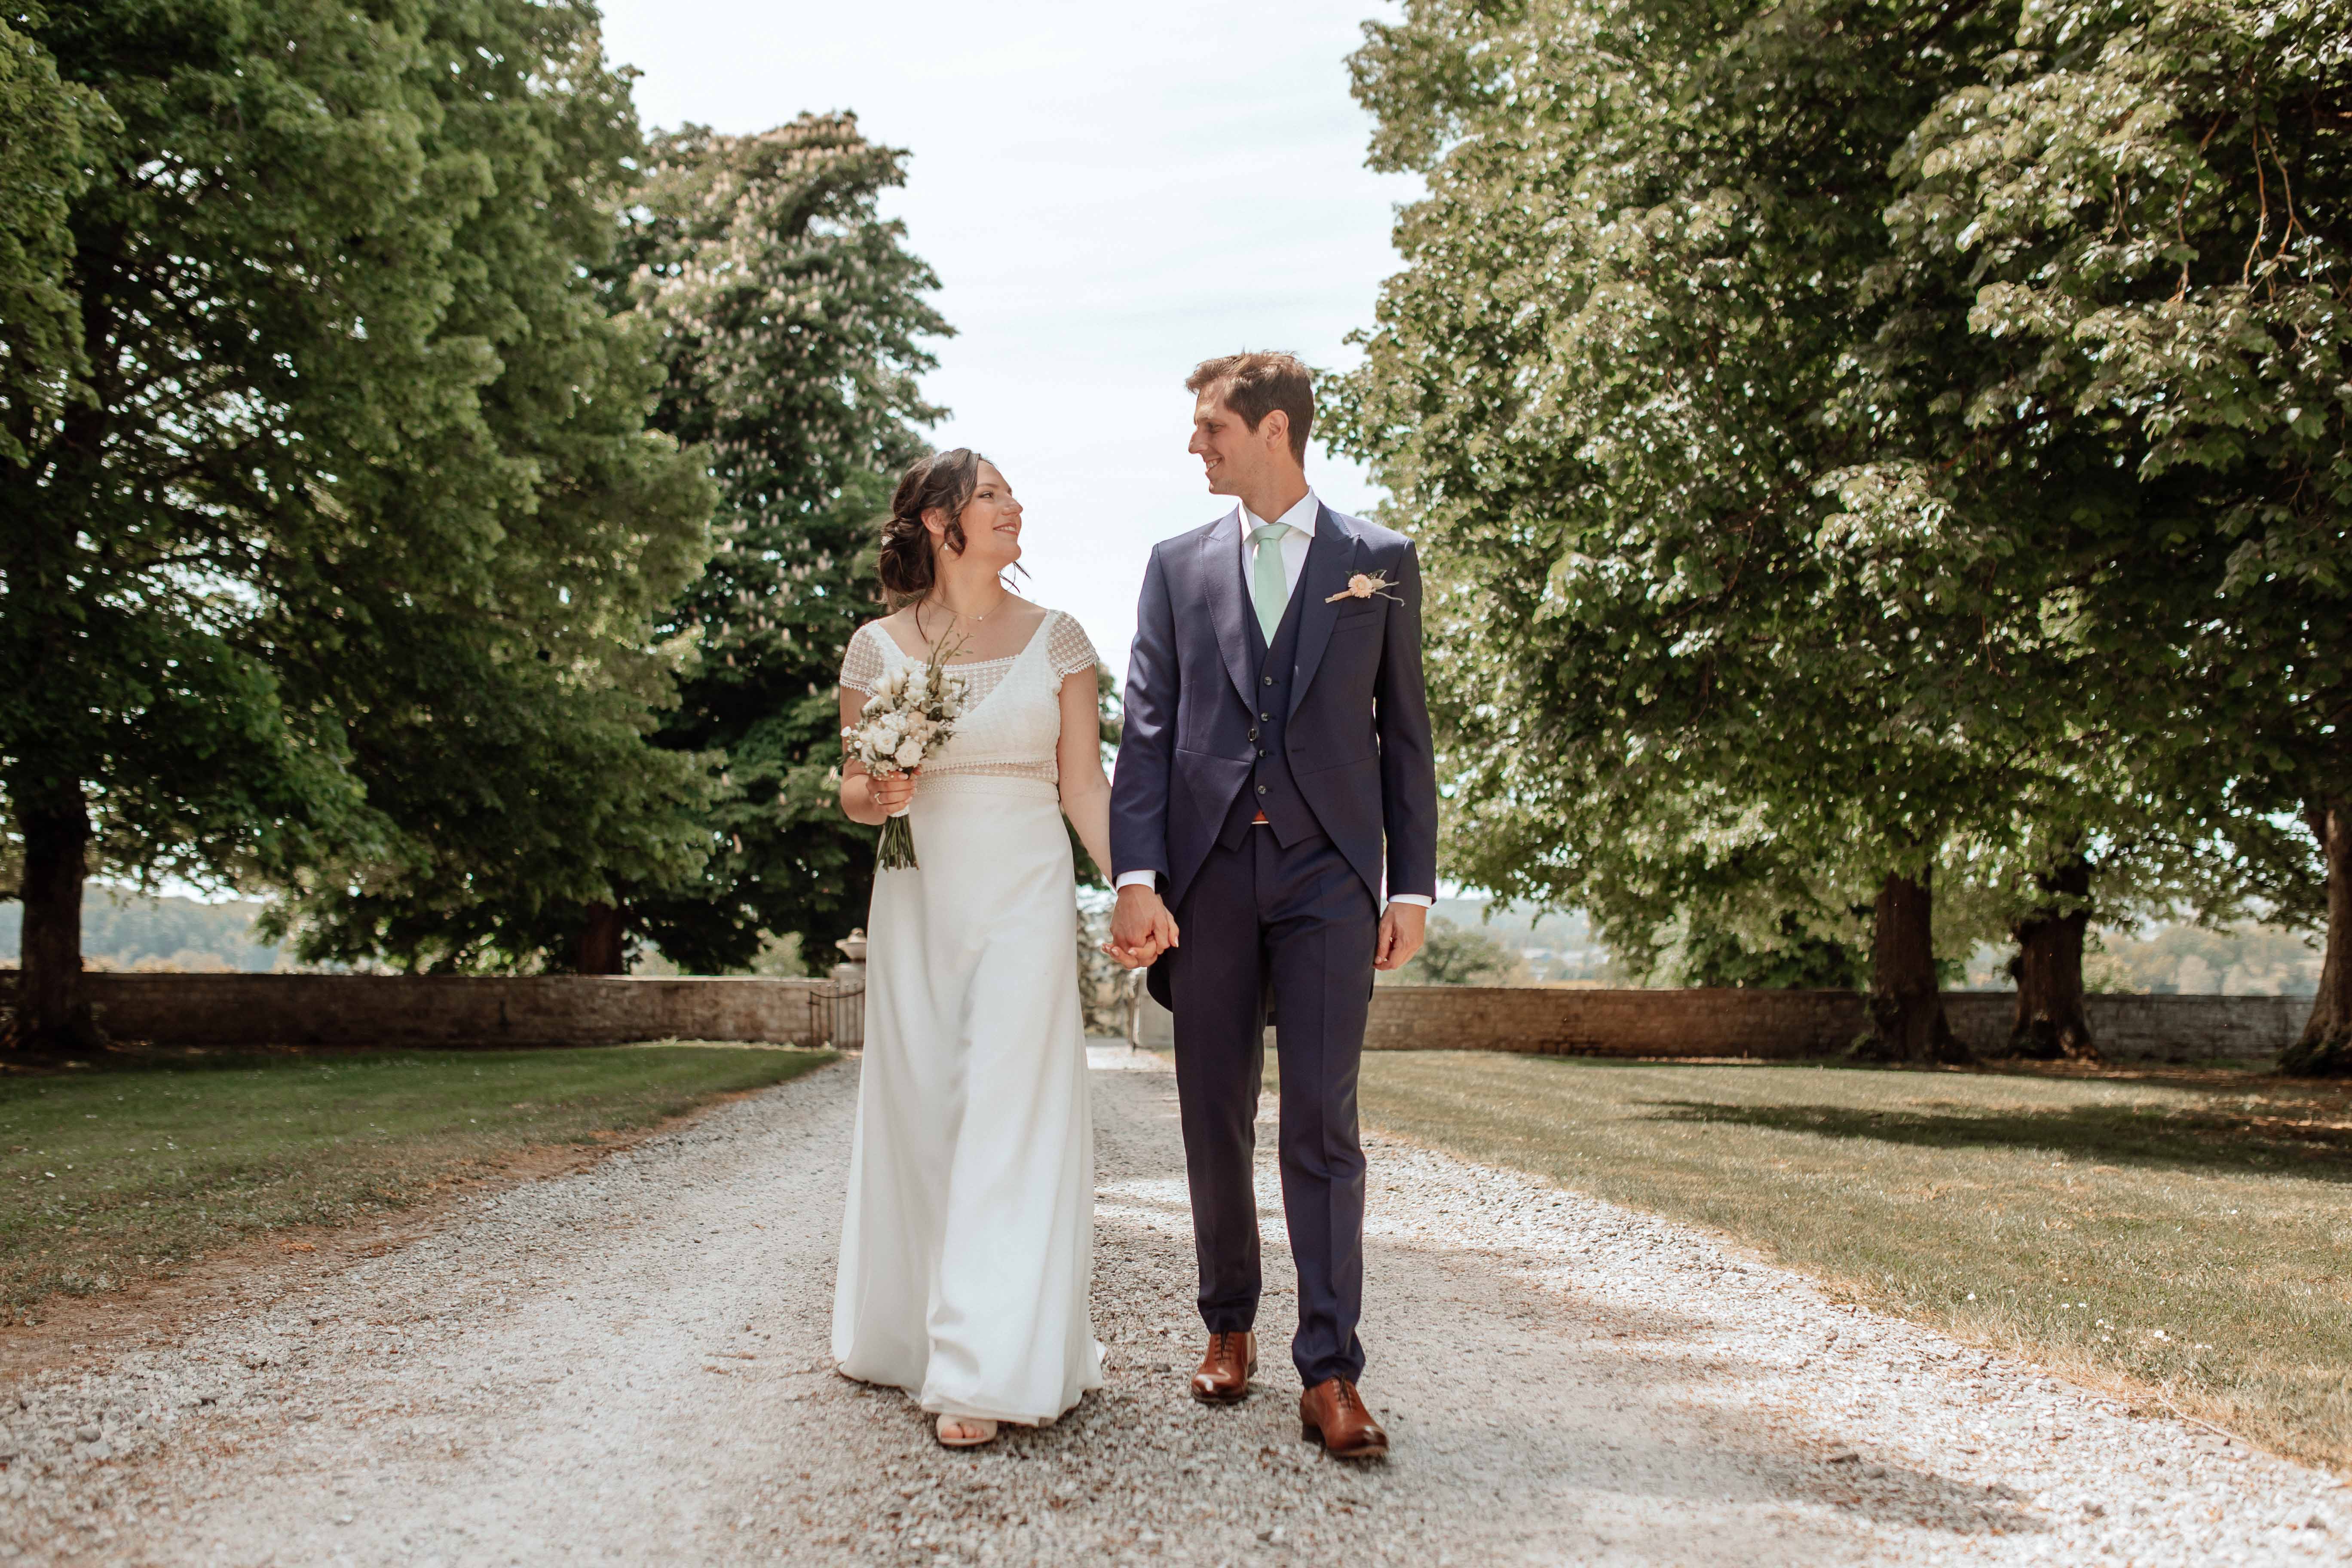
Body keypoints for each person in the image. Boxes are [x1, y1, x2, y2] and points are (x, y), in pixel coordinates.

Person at [1105, 352, 1438, 1460]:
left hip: (1332, 876)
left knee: (1323, 1122)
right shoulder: (1174, 565)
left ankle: (1332, 1370)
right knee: (1212, 1110)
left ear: (1274, 431)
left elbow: (1407, 739)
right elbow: (1146, 727)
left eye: (1211, 427)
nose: (1195, 446)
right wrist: (1137, 874)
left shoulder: (1378, 562)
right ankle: (1228, 1325)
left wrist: (1413, 886)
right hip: (1206, 879)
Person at [831, 448, 1112, 1449]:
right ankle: (915, 1332)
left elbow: (1085, 787)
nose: (1014, 507)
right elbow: (855, 791)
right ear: (942, 522)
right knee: (926, 1109)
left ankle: (985, 1366)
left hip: (1027, 894)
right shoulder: (876, 649)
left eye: (1009, 494)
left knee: (1010, 1107)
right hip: (919, 893)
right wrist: (883, 789)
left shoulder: (1061, 640)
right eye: (992, 495)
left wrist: (1135, 887)